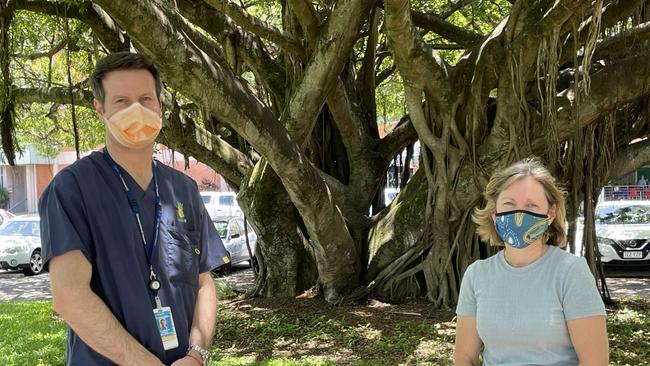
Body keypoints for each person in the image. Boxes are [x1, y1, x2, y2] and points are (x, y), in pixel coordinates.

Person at [39, 52, 230, 366]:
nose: (137, 111)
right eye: (122, 102)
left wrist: (197, 355)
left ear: (160, 104)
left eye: (145, 99)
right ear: (100, 110)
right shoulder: (72, 189)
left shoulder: (182, 189)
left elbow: (203, 281)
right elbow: (69, 296)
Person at [454, 158, 608, 366]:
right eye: (509, 204)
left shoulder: (571, 273)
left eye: (531, 205)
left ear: (550, 214)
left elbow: (595, 361)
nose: (519, 215)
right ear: (494, 212)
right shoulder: (476, 275)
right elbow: (464, 358)